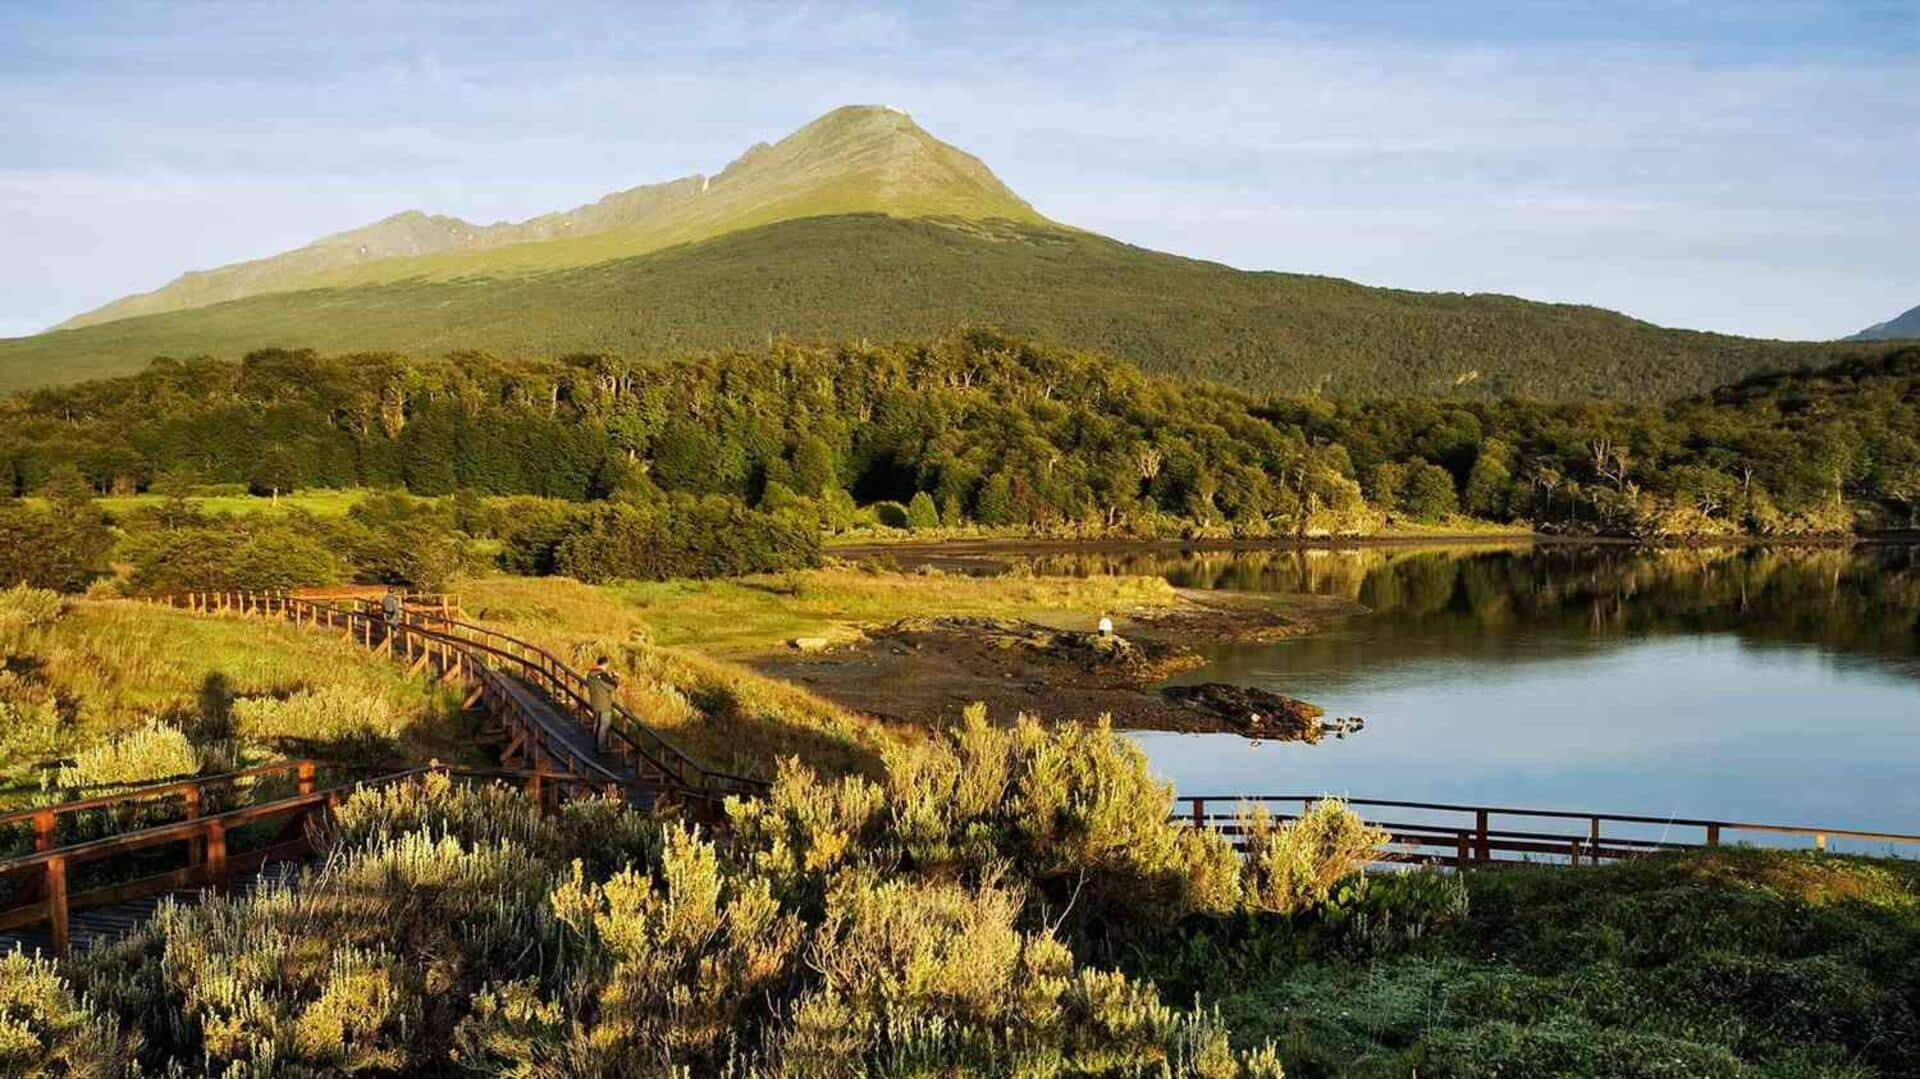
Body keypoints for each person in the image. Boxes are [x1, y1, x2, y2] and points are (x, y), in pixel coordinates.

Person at [587, 656, 621, 752]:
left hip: (594, 702)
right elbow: (612, 687)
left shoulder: (590, 674)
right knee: (603, 726)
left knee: (596, 724)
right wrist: (615, 677)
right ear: (606, 663)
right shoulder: (602, 675)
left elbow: (600, 684)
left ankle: (595, 745)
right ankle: (601, 748)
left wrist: (608, 676)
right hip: (604, 704)